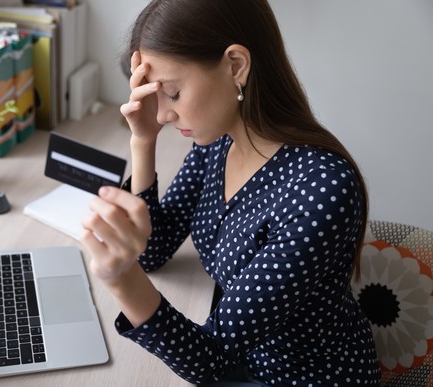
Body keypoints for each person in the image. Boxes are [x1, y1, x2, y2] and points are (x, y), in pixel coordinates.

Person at [80, 0, 381, 385]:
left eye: (171, 93)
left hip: (304, 376)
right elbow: (154, 250)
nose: (162, 113)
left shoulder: (322, 190)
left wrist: (121, 279)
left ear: (236, 65)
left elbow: (211, 358)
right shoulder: (217, 142)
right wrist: (143, 140)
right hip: (246, 358)